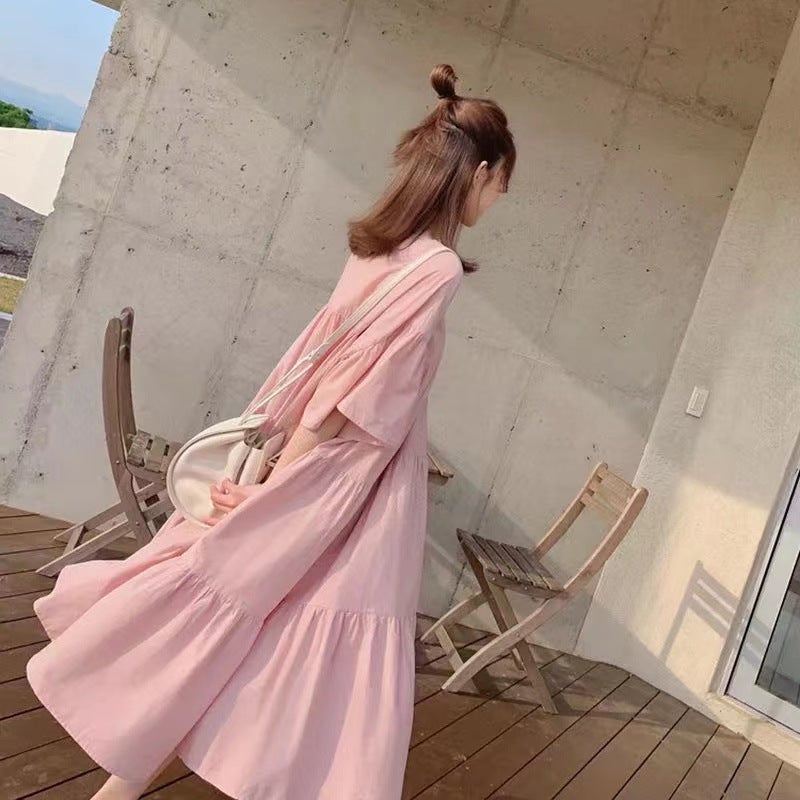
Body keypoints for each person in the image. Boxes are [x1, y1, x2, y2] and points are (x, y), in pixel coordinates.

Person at [27, 64, 515, 800]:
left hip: (313, 466)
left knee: (234, 623)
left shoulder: (379, 250)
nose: (502, 197)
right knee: (280, 636)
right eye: (503, 181)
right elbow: (349, 399)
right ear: (478, 172)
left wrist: (275, 468)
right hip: (343, 486)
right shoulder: (437, 269)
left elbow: (317, 371)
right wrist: (281, 488)